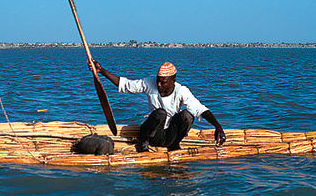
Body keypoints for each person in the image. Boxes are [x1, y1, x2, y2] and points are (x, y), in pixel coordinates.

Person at [90, 59, 226, 152]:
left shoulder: (181, 91)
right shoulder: (150, 83)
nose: (159, 85)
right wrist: (102, 71)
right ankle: (143, 143)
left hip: (169, 135)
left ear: (173, 80)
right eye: (158, 81)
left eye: (163, 82)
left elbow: (199, 109)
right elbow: (126, 85)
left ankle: (174, 145)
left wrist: (218, 127)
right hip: (153, 133)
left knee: (188, 115)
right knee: (160, 113)